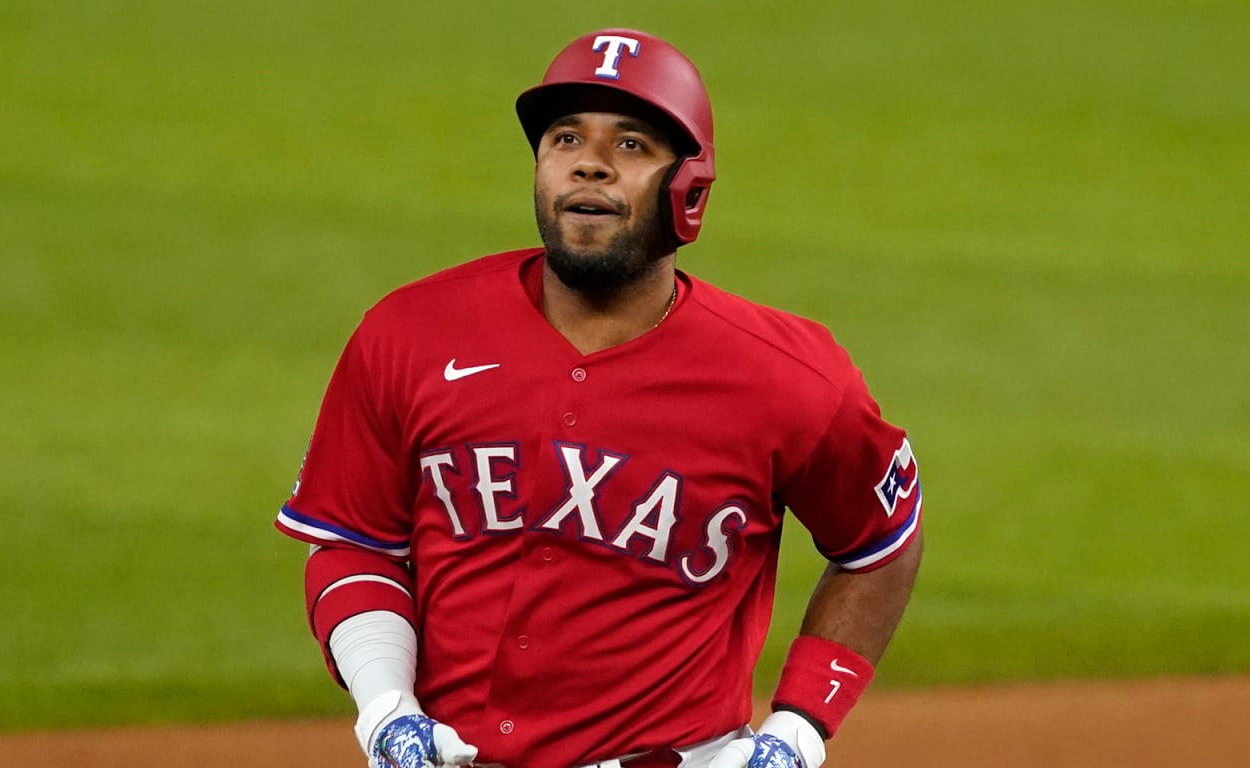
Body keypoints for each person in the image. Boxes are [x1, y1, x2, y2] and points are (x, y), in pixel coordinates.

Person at [275, 28, 923, 768]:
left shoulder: (788, 377)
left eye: (631, 145)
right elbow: (355, 543)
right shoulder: (410, 334)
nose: (589, 162)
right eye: (565, 138)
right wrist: (387, 710)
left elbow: (882, 541)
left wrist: (800, 728)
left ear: (689, 188)